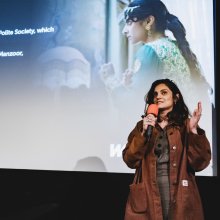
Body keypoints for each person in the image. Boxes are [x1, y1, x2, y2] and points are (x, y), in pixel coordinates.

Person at [99, 0, 213, 115]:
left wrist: (111, 79)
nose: (124, 30)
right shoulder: (178, 46)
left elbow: (132, 105)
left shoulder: (150, 51)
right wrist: (130, 85)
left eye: (129, 23)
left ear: (148, 21)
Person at [122, 79, 211, 220]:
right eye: (155, 94)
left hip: (179, 193)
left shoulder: (185, 125)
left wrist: (193, 131)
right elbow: (129, 160)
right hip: (148, 195)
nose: (158, 96)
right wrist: (143, 134)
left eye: (164, 92)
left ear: (176, 98)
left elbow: (200, 163)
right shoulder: (142, 125)